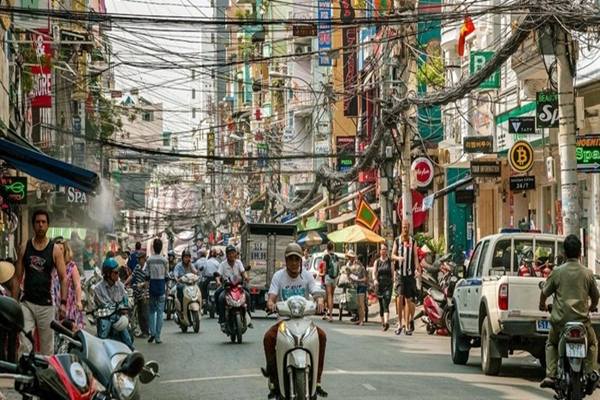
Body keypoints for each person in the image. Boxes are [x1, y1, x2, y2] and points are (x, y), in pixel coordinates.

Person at [262, 243, 327, 398]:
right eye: (290, 259)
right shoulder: (278, 276)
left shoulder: (307, 276)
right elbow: (272, 296)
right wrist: (271, 303)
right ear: (286, 260)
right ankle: (273, 377)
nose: (293, 262)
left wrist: (319, 301)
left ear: (300, 260)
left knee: (322, 336)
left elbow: (316, 292)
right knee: (268, 338)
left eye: (296, 259)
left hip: (304, 321)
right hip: (284, 321)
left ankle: (317, 381)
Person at [539, 234, 600, 389]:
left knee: (551, 343)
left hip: (560, 323)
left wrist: (542, 305)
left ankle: (551, 374)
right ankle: (592, 371)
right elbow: (596, 295)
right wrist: (593, 306)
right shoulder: (587, 273)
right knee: (592, 344)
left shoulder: (557, 272)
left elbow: (544, 293)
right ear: (580, 253)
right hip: (582, 324)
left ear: (564, 254)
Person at [13, 210, 68, 355]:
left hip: (46, 306)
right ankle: (24, 377)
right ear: (33, 225)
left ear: (48, 225)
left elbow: (63, 278)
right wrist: (13, 303)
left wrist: (63, 302)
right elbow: (17, 277)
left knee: (46, 350)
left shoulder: (55, 250)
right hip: (27, 304)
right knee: (25, 346)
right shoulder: (24, 247)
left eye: (43, 222)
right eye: (38, 222)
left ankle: (45, 377)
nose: (40, 225)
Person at [94, 258, 134, 350]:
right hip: (105, 318)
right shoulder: (98, 288)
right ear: (108, 274)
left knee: (126, 335)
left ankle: (130, 350)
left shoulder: (120, 285)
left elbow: (125, 299)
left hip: (118, 316)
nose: (118, 275)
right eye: (115, 273)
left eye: (118, 272)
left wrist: (126, 305)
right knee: (102, 338)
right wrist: (116, 306)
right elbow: (103, 304)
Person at [391, 221, 420, 336]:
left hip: (409, 274)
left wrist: (418, 269)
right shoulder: (397, 241)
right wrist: (398, 258)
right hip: (399, 274)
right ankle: (399, 323)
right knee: (399, 297)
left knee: (408, 299)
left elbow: (415, 257)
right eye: (403, 227)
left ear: (409, 228)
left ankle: (407, 325)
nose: (405, 229)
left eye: (407, 227)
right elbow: (392, 255)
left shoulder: (412, 241)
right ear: (401, 229)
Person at [215, 245, 252, 330]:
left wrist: (246, 278)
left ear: (235, 254)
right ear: (227, 255)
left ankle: (248, 316)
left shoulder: (238, 262)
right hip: (227, 287)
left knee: (248, 295)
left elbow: (243, 272)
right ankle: (222, 320)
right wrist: (218, 281)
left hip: (238, 286)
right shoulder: (222, 264)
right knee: (219, 296)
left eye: (233, 253)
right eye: (229, 253)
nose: (231, 255)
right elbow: (218, 275)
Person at [56, 240, 85, 330]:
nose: (58, 251)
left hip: (69, 304)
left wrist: (79, 301)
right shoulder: (53, 266)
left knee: (70, 330)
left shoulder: (71, 266)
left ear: (65, 251)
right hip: (55, 303)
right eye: (56, 249)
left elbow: (77, 285)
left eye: (61, 249)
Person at [146, 239, 168, 344]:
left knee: (151, 311)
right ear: (161, 247)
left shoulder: (149, 260)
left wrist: (146, 288)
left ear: (153, 247)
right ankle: (158, 336)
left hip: (152, 288)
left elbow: (147, 275)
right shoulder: (164, 260)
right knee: (160, 313)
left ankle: (152, 333)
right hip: (161, 288)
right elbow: (167, 276)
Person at [373, 243, 393, 331]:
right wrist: (375, 280)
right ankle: (383, 323)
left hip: (388, 284)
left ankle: (386, 322)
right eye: (382, 249)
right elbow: (374, 273)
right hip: (379, 284)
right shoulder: (377, 262)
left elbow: (393, 273)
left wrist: (394, 281)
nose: (383, 251)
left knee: (386, 302)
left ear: (387, 251)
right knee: (381, 305)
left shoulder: (390, 261)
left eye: (385, 249)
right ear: (380, 251)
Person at [347, 250, 368, 326]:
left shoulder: (362, 268)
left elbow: (365, 279)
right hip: (357, 286)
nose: (355, 261)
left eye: (357, 260)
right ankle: (360, 319)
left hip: (362, 286)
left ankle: (362, 320)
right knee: (358, 304)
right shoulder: (355, 268)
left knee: (361, 304)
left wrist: (358, 280)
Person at [131, 251, 149, 338]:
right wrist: (125, 283)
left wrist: (142, 285)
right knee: (139, 313)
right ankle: (143, 331)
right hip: (137, 292)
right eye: (138, 259)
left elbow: (148, 282)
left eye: (139, 259)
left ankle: (146, 331)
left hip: (145, 293)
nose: (138, 260)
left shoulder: (147, 268)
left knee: (144, 313)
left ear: (143, 258)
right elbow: (132, 276)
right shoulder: (137, 267)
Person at [322, 242, 339, 322]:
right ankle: (329, 313)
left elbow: (324, 268)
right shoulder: (336, 257)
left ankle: (330, 315)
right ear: (333, 248)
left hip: (328, 276)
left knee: (328, 295)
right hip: (335, 277)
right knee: (331, 295)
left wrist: (323, 275)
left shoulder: (326, 257)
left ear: (327, 248)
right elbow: (338, 267)